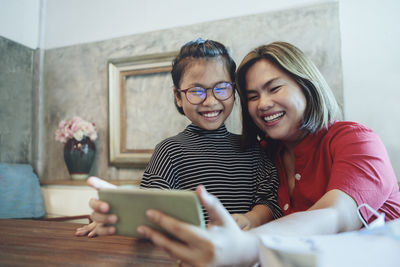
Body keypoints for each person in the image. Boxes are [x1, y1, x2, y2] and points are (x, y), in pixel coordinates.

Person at [88, 41, 400, 266]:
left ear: (306, 85)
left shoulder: (355, 140)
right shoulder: (268, 152)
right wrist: (122, 211)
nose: (263, 103)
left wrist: (243, 243)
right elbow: (154, 199)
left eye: (274, 88)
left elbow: (332, 216)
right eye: (252, 95)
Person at [76, 38, 282, 237]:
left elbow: (269, 201)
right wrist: (120, 214)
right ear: (178, 96)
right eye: (196, 91)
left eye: (221, 88)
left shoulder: (253, 149)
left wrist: (252, 219)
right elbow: (150, 204)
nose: (210, 101)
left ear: (234, 92)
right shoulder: (169, 150)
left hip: (240, 253)